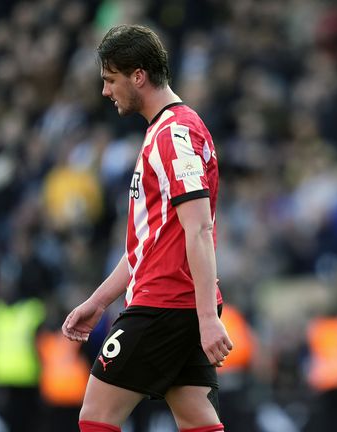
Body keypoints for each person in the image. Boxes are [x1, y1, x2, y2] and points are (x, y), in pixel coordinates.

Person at [61, 24, 232, 432]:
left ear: (138, 76)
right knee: (195, 416)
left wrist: (208, 317)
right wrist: (99, 301)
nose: (105, 92)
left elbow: (200, 229)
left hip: (164, 304)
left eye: (110, 80)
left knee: (95, 417)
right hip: (178, 303)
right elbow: (148, 244)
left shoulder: (175, 134)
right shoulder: (165, 131)